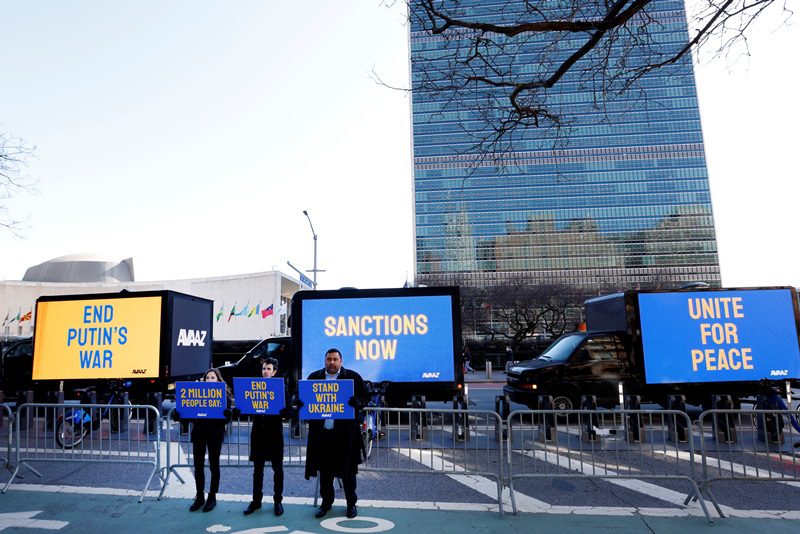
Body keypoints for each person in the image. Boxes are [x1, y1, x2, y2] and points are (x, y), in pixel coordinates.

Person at [302, 348, 368, 520]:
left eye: (335, 359)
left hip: (345, 436)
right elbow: (304, 400)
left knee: (348, 472)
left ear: (341, 361)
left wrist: (358, 402)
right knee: (325, 473)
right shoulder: (314, 377)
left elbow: (365, 397)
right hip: (322, 435)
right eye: (329, 359)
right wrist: (300, 402)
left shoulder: (353, 377)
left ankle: (351, 504)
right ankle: (326, 504)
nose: (332, 362)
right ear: (324, 361)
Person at [175, 367, 233, 513]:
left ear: (218, 379)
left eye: (213, 378)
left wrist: (228, 415)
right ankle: (199, 496)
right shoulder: (197, 394)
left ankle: (212, 497)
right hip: (199, 433)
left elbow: (226, 418)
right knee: (198, 466)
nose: (210, 380)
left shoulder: (224, 396)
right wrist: (180, 415)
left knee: (214, 465)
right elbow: (189, 415)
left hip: (215, 433)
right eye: (208, 378)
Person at [243, 357, 291, 517]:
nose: (265, 371)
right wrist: (239, 409)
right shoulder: (254, 387)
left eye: (269, 368)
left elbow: (289, 412)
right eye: (264, 368)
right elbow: (246, 406)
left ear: (275, 371)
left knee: (278, 470)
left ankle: (278, 501)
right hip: (258, 433)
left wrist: (285, 410)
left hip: (274, 433)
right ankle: (256, 501)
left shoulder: (281, 387)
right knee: (258, 470)